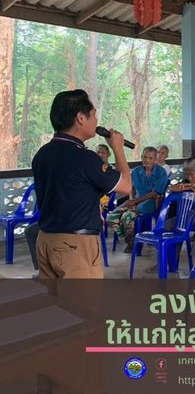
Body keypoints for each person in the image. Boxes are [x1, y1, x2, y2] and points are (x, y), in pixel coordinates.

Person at [32, 89, 131, 278]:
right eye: (93, 114)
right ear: (80, 118)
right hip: (74, 247)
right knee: (83, 298)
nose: (96, 120)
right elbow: (126, 186)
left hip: (45, 240)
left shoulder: (42, 154)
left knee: (55, 297)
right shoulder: (85, 158)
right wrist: (118, 149)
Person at [113, 146, 169, 253]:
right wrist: (131, 200)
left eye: (150, 158)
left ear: (155, 159)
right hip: (136, 202)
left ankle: (133, 241)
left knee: (127, 216)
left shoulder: (161, 172)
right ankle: (130, 237)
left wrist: (135, 202)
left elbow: (155, 193)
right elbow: (131, 188)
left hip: (152, 203)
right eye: (145, 157)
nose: (147, 160)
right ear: (141, 157)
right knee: (112, 216)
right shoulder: (136, 171)